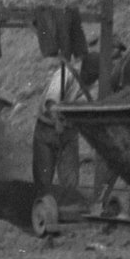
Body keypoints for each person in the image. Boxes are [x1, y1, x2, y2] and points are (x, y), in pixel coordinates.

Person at [31, 52, 89, 197]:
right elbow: (51, 101)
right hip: (48, 128)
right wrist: (57, 121)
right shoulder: (66, 74)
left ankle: (68, 205)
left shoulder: (93, 80)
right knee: (43, 178)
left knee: (70, 180)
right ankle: (42, 208)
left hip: (69, 130)